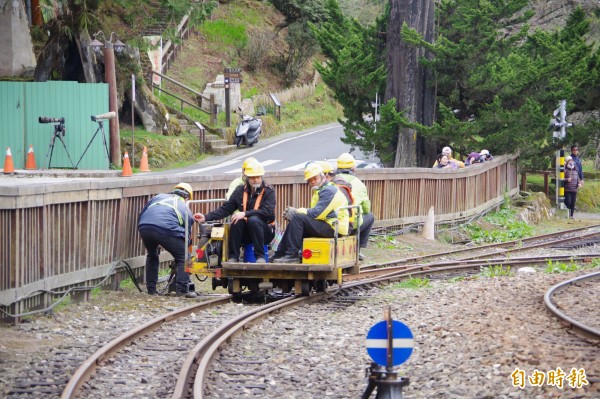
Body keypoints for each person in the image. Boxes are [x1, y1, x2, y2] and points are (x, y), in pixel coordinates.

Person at [194, 159, 275, 263]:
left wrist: (245, 213)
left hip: (265, 232)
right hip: (247, 233)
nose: (255, 180)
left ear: (261, 177)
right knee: (237, 219)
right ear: (246, 177)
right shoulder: (240, 190)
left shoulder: (269, 191)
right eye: (252, 177)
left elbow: (267, 212)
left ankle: (260, 257)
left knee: (253, 220)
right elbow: (226, 209)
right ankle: (233, 256)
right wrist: (205, 217)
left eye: (258, 177)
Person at [271, 162, 349, 263]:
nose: (312, 182)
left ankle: (291, 254)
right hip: (329, 224)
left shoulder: (329, 190)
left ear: (322, 177)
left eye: (315, 178)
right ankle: (280, 253)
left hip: (335, 227)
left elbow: (317, 214)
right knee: (296, 221)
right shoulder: (321, 190)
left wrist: (297, 211)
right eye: (310, 180)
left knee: (298, 218)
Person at [138, 182, 199, 298]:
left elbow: (142, 213)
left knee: (152, 255)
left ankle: (151, 290)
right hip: (165, 228)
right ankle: (182, 289)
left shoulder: (158, 197)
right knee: (184, 257)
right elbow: (187, 236)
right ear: (187, 198)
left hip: (144, 226)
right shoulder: (185, 208)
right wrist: (186, 252)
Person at [334, 153, 375, 260]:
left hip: (332, 221)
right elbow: (366, 209)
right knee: (370, 216)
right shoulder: (360, 184)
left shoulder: (331, 181)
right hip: (351, 224)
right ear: (353, 168)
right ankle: (358, 249)